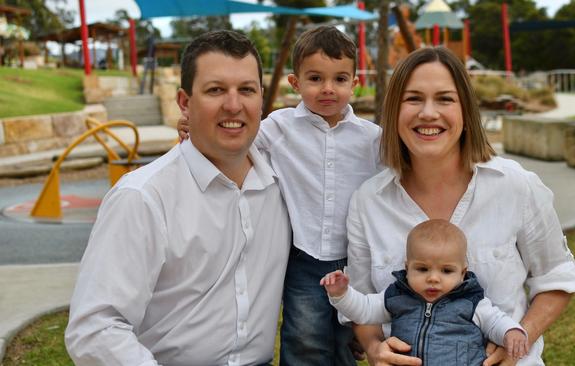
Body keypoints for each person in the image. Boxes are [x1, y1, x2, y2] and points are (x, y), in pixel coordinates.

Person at [345, 46, 575, 366]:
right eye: (413, 98)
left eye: (445, 99)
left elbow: (558, 279)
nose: (428, 113)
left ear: (466, 110)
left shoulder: (516, 185)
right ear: (394, 111)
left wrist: (518, 341)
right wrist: (374, 348)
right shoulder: (367, 202)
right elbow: (361, 305)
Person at [65, 30, 291, 365]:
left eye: (246, 90)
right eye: (215, 90)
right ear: (185, 102)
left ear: (262, 98)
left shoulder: (284, 182)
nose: (233, 104)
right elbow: (95, 328)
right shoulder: (143, 198)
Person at [179, 25, 382, 365]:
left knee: (348, 340)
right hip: (304, 256)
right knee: (305, 335)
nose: (328, 89)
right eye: (315, 78)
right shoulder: (278, 127)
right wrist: (197, 128)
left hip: (356, 258)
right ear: (295, 82)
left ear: (355, 82)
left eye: (340, 79)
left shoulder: (371, 138)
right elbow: (236, 145)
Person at [321, 219, 529, 365]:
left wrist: (512, 332)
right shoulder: (397, 296)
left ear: (463, 272)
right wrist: (342, 294)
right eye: (422, 269)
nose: (433, 278)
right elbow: (364, 310)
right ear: (407, 267)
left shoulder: (471, 301)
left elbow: (495, 321)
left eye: (447, 271)